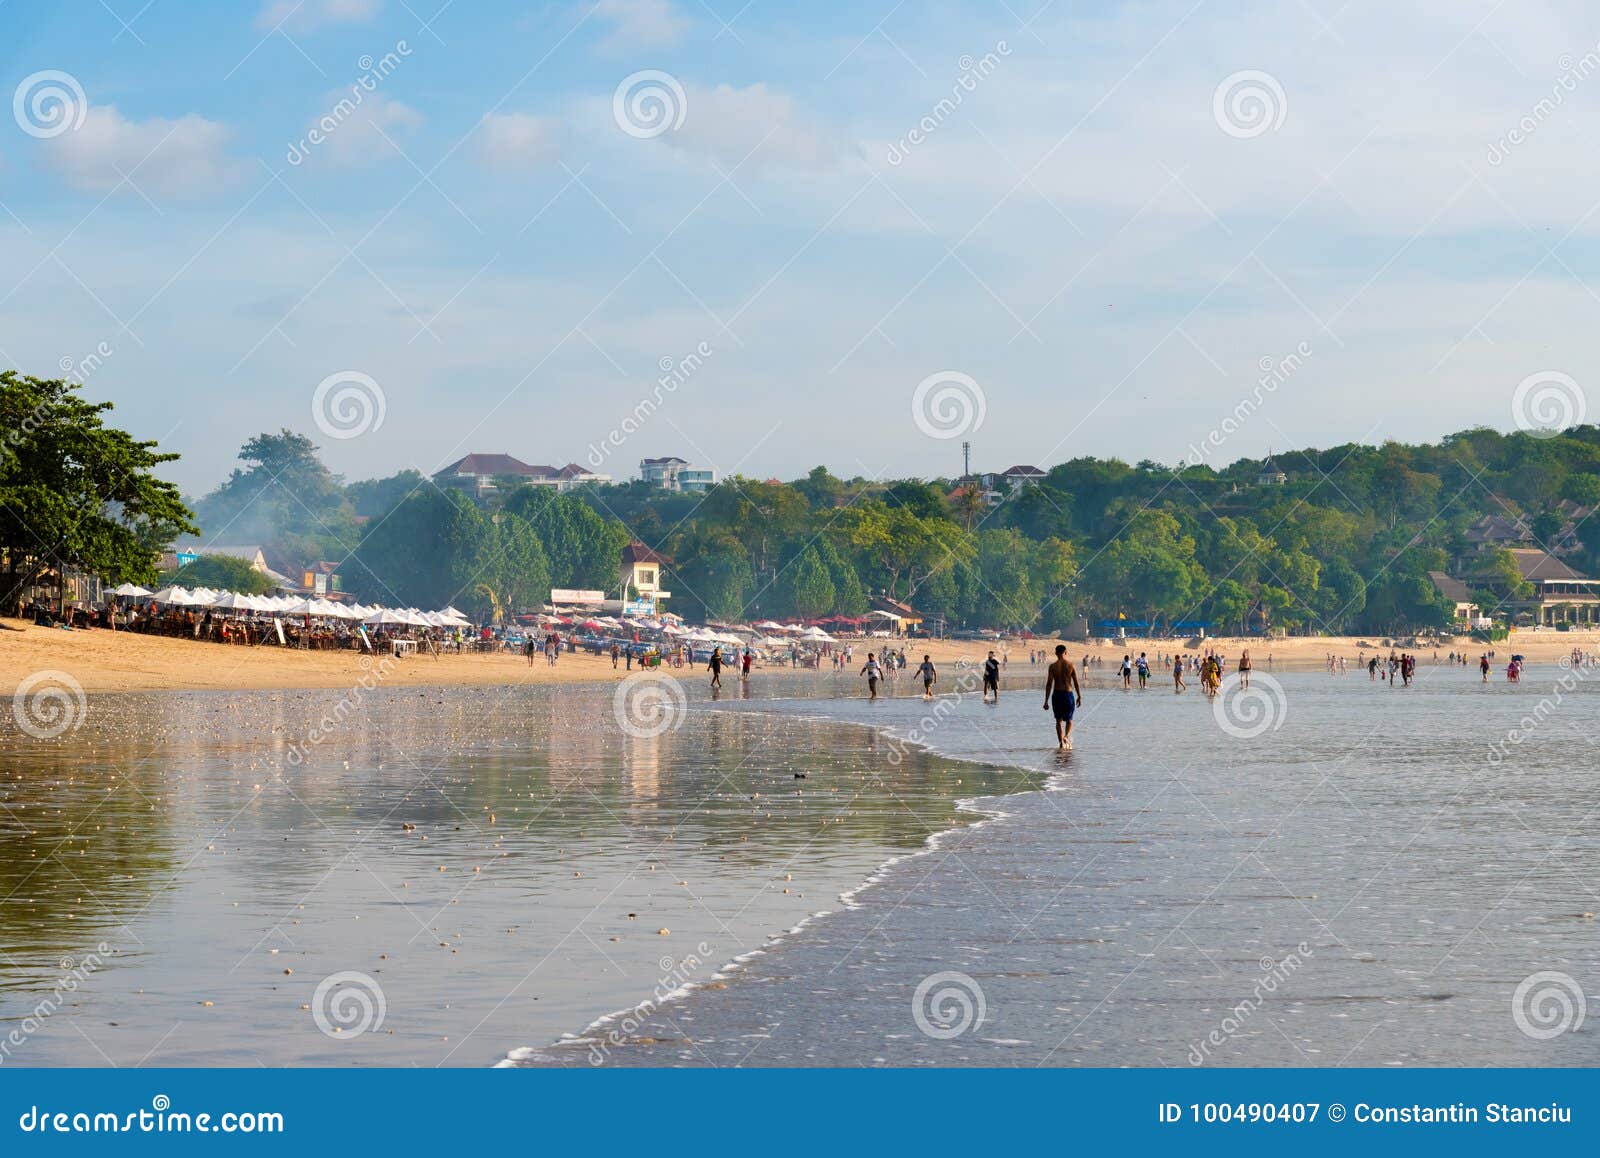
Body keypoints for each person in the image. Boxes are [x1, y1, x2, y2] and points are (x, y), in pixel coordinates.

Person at [1043, 645, 1082, 749]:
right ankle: (1066, 736)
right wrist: (1079, 696)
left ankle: (1061, 743)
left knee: (1058, 721)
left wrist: (1046, 701)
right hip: (1068, 695)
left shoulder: (1052, 667)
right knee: (1069, 720)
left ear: (1056, 653)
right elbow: (1076, 683)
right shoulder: (1071, 665)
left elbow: (1049, 684)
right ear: (1066, 652)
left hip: (1057, 695)